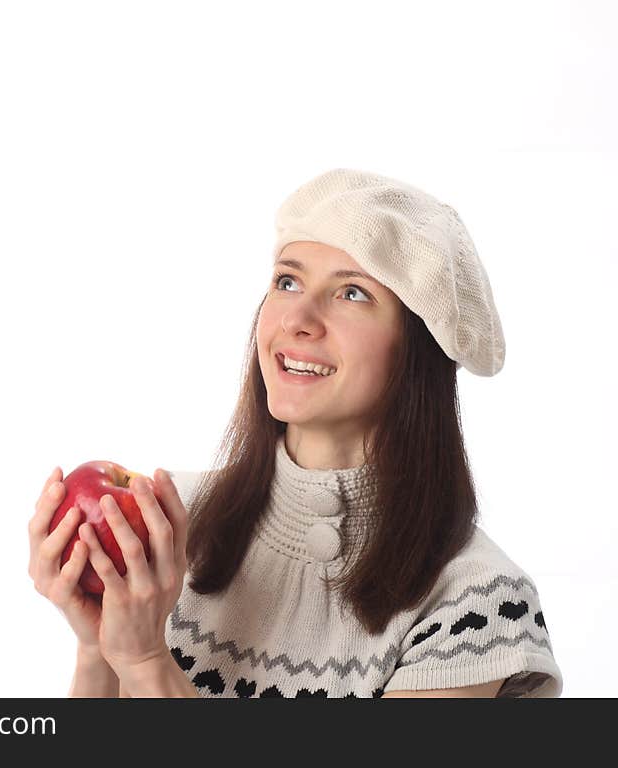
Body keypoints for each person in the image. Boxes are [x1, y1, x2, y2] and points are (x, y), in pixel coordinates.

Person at [28, 167, 564, 698]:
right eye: (288, 281)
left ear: (417, 349)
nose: (298, 319)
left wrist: (146, 661)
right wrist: (99, 648)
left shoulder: (478, 605)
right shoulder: (169, 523)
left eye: (352, 293)